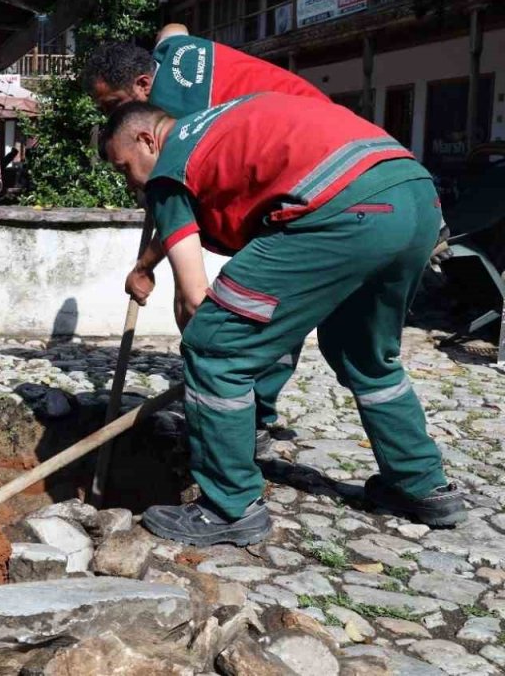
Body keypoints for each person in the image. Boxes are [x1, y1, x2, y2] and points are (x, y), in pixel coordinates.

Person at [99, 94, 465, 545]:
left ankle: (229, 505)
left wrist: (210, 368)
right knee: (365, 353)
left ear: (146, 139)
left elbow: (195, 299)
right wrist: (147, 265)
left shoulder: (170, 165)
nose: (131, 183)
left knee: (215, 347)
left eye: (124, 167)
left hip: (341, 209)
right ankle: (421, 485)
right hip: (413, 193)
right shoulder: (216, 125)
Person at [83, 27, 332, 445]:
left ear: (144, 85)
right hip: (314, 147)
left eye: (113, 105)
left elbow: (183, 224)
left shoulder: (181, 122)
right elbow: (174, 30)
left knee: (256, 301)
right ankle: (243, 404)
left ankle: (242, 414)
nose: (112, 118)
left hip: (304, 170)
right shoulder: (167, 57)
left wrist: (147, 265)